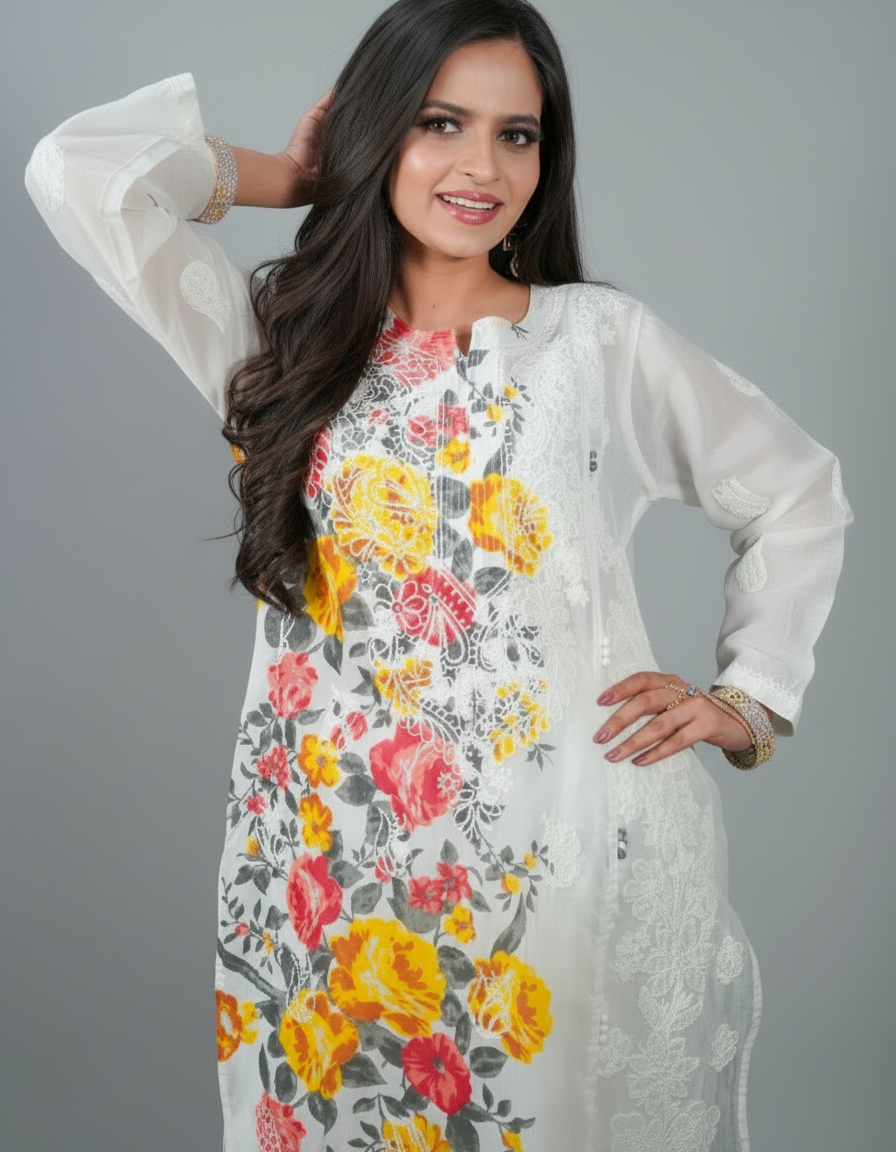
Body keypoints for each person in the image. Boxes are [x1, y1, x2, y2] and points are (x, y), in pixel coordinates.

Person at [25, 0, 850, 1148]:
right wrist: (289, 175)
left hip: (545, 866)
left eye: (518, 134)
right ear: (377, 133)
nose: (481, 166)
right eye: (438, 123)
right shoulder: (281, 346)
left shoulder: (593, 344)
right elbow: (76, 171)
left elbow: (797, 492)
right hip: (324, 870)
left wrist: (745, 697)